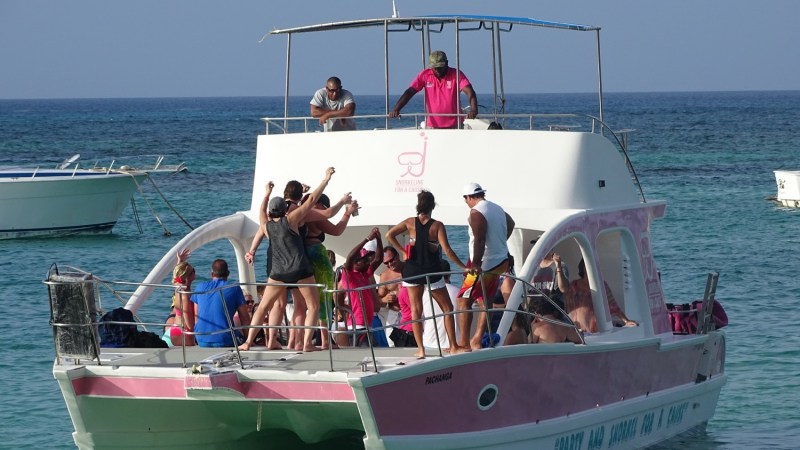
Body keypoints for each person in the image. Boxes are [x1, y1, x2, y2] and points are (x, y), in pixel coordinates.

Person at [239, 167, 336, 352]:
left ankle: (248, 343)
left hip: (278, 273)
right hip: (300, 270)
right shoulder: (291, 221)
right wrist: (325, 179)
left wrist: (267, 193)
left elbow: (261, 209)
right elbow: (312, 200)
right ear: (285, 210)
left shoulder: (266, 225)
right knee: (313, 306)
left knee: (263, 307)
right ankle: (307, 344)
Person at [386, 190, 467, 357]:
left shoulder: (409, 222)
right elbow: (448, 251)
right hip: (432, 271)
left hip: (412, 271)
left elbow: (389, 235)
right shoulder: (437, 225)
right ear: (432, 206)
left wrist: (403, 250)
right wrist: (463, 267)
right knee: (447, 308)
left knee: (416, 310)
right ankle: (453, 346)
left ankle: (421, 350)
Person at [457, 182, 515, 351]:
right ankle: (477, 339)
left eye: (465, 199)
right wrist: (501, 243)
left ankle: (464, 343)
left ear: (468, 197)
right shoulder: (497, 208)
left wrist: (475, 264)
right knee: (486, 300)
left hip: (485, 264)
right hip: (500, 261)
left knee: (463, 300)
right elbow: (511, 223)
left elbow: (480, 240)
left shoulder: (476, 212)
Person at [388, 50, 478, 129]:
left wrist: (474, 109)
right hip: (432, 126)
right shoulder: (425, 75)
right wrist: (396, 109)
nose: (437, 70)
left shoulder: (456, 74)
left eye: (440, 67)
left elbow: (469, 92)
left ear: (447, 63)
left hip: (455, 125)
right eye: (435, 68)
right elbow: (410, 91)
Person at [179, 251, 252, 348]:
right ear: (228, 274)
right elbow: (244, 317)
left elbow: (197, 317)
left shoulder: (200, 287)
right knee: (243, 338)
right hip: (225, 340)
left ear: (211, 274)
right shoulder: (234, 288)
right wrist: (248, 340)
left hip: (201, 339)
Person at [559, 259, 638, 333]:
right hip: (576, 330)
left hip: (595, 331)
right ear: (583, 268)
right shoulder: (574, 285)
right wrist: (559, 267)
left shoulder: (601, 285)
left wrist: (626, 321)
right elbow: (563, 289)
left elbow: (613, 306)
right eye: (587, 266)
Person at [340, 229, 384, 346]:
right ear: (355, 263)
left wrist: (378, 239)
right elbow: (350, 257)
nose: (367, 263)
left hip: (366, 325)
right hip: (357, 327)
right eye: (363, 261)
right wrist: (367, 239)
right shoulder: (349, 275)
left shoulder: (365, 275)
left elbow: (379, 259)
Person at [166, 255, 197, 347]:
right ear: (188, 276)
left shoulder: (178, 288)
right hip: (182, 333)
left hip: (174, 329)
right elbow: (190, 326)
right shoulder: (185, 296)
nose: (195, 272)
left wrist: (180, 262)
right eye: (193, 271)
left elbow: (177, 276)